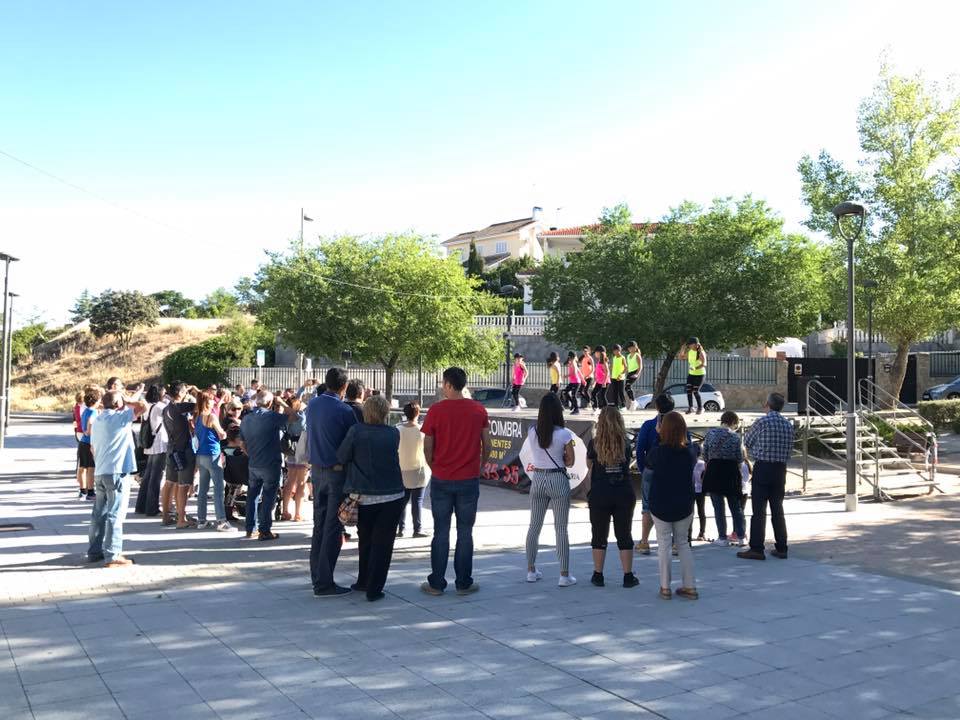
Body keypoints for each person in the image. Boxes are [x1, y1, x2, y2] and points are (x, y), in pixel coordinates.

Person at [420, 367, 490, 597]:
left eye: (443, 383)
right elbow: (487, 444)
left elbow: (427, 445)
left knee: (441, 532)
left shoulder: (436, 410)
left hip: (442, 477)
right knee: (465, 532)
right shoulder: (478, 410)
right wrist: (479, 466)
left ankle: (436, 583)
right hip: (468, 478)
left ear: (449, 385)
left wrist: (433, 466)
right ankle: (463, 583)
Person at [337, 395, 405, 602]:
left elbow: (342, 456)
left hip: (364, 496)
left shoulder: (356, 431)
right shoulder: (393, 433)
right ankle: (375, 588)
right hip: (392, 494)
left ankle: (363, 580)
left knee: (365, 539)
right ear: (385, 413)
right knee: (383, 543)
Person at [308, 367, 358, 597]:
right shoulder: (344, 410)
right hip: (336, 472)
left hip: (317, 470)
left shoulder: (313, 404)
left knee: (319, 525)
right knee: (332, 526)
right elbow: (352, 442)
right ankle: (324, 581)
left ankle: (317, 575)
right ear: (344, 387)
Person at [86, 390, 148, 567]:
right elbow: (143, 406)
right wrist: (127, 400)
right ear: (117, 404)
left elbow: (92, 447)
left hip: (101, 470)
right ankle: (113, 555)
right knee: (115, 513)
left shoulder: (98, 420)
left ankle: (94, 551)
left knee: (99, 513)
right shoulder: (120, 418)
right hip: (116, 471)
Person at [524, 393, 577, 587]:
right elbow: (570, 462)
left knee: (534, 526)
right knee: (561, 528)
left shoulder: (532, 431)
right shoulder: (564, 434)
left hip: (538, 478)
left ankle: (531, 570)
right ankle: (564, 575)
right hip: (557, 478)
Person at [646, 411, 699, 599]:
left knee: (664, 545)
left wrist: (658, 436)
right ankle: (690, 586)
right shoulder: (690, 453)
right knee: (683, 544)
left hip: (661, 503)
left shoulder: (657, 452)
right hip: (684, 503)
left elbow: (649, 464)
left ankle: (665, 587)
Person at [738, 393, 794, 561]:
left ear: (767, 404)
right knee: (777, 509)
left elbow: (747, 442)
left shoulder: (762, 422)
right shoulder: (788, 425)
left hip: (763, 467)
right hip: (780, 469)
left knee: (759, 511)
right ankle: (782, 547)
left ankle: (757, 548)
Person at [587, 407, 639, 588]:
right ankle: (628, 576)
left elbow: (589, 465)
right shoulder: (626, 443)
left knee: (599, 534)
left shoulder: (594, 444)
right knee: (624, 533)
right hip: (623, 492)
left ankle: (598, 574)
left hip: (600, 492)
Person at [634, 393, 687, 555]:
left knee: (647, 506)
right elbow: (687, 445)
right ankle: (676, 543)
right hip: (674, 469)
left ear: (657, 407)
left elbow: (640, 449)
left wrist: (643, 469)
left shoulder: (649, 425)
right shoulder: (680, 424)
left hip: (652, 469)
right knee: (674, 502)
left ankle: (644, 542)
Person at [239, 390, 291, 541]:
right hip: (270, 462)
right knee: (268, 497)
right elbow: (295, 417)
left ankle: (250, 528)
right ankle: (265, 530)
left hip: (254, 463)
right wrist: (282, 403)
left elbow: (242, 443)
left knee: (252, 496)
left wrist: (251, 454)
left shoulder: (246, 418)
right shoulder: (271, 416)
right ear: (269, 403)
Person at [702, 411, 747, 547]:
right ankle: (741, 537)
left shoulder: (710, 434)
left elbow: (705, 454)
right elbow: (740, 458)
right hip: (730, 472)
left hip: (714, 471)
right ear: (733, 422)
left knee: (718, 507)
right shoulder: (736, 437)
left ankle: (722, 537)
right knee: (735, 507)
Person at [161, 382, 199, 529]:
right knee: (183, 485)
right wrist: (196, 391)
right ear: (181, 393)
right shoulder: (180, 407)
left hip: (172, 449)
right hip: (183, 450)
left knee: (170, 482)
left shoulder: (167, 408)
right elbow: (200, 404)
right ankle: (181, 519)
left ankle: (166, 515)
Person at [195, 391, 231, 531]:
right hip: (213, 454)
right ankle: (221, 520)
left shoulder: (198, 416)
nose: (214, 402)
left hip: (201, 455)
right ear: (207, 402)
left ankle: (201, 520)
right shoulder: (211, 416)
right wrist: (225, 433)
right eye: (211, 400)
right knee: (218, 489)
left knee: (203, 489)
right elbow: (221, 435)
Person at [134, 385, 167, 516]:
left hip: (149, 443)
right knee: (156, 477)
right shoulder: (160, 407)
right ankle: (152, 508)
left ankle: (141, 505)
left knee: (148, 475)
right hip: (159, 443)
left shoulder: (147, 406)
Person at [397, 402, 429, 538]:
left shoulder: (398, 429)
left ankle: (401, 529)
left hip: (401, 470)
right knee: (417, 501)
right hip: (419, 470)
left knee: (402, 502)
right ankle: (417, 529)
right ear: (417, 413)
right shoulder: (422, 430)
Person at [281, 396, 309, 522]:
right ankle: (298, 514)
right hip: (301, 450)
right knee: (301, 483)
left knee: (290, 481)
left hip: (290, 450)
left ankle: (285, 511)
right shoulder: (301, 416)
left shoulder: (285, 418)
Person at [77, 386, 101, 501]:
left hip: (82, 442)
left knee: (82, 467)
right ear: (95, 401)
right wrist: (89, 431)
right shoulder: (94, 411)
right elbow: (91, 421)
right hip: (90, 442)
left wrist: (85, 430)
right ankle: (91, 492)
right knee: (91, 468)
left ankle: (83, 490)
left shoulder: (85, 410)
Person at [222, 424, 248, 523]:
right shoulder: (242, 452)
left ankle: (228, 511)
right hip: (245, 477)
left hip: (229, 476)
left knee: (230, 487)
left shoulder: (223, 449)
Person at [683, 337, 707, 415]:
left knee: (695, 391)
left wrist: (695, 368)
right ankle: (691, 408)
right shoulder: (690, 352)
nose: (689, 346)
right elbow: (681, 357)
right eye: (689, 344)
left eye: (690, 344)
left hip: (700, 374)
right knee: (688, 390)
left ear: (695, 344)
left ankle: (700, 408)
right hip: (691, 374)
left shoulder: (701, 352)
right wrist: (683, 348)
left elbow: (704, 364)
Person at [607, 344, 627, 409]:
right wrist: (609, 373)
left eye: (616, 350)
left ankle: (623, 406)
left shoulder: (622, 358)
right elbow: (612, 367)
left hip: (620, 378)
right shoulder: (614, 358)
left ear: (619, 350)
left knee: (621, 392)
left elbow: (626, 368)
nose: (615, 352)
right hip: (614, 377)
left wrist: (620, 375)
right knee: (615, 392)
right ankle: (616, 406)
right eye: (614, 351)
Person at [72, 391, 85, 498]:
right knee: (86, 463)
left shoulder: (76, 407)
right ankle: (84, 488)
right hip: (83, 433)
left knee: (81, 460)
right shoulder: (85, 408)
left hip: (78, 432)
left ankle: (82, 486)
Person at [625, 341, 643, 410]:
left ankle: (633, 402)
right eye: (629, 348)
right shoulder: (628, 356)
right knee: (626, 388)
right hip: (630, 373)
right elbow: (628, 366)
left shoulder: (637, 355)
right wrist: (625, 373)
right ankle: (633, 401)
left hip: (635, 372)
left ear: (635, 348)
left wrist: (637, 374)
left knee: (628, 385)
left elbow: (640, 366)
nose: (630, 349)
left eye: (632, 347)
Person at [591, 345, 609, 411]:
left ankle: (607, 410)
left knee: (602, 395)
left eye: (595, 352)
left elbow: (607, 372)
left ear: (599, 353)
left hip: (604, 382)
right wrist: (594, 381)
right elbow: (598, 374)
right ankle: (596, 407)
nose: (595, 354)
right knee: (593, 393)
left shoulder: (604, 362)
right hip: (599, 381)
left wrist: (604, 382)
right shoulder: (599, 361)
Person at [578, 346, 594, 410]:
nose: (584, 352)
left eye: (586, 351)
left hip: (589, 377)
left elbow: (593, 369)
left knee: (585, 390)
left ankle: (590, 403)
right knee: (580, 391)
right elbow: (582, 368)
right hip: (584, 377)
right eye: (583, 351)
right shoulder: (583, 358)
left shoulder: (590, 358)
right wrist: (582, 376)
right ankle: (590, 401)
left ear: (589, 351)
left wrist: (587, 375)